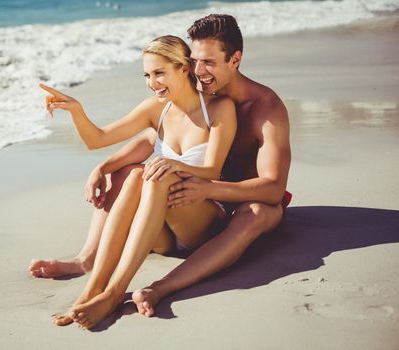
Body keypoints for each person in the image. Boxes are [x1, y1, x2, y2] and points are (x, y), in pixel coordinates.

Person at [31, 13, 291, 321]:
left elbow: (273, 188)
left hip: (234, 204)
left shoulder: (262, 108)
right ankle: (91, 272)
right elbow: (154, 138)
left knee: (254, 212)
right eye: (194, 61)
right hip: (185, 204)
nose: (199, 71)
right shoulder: (190, 98)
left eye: (208, 62)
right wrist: (105, 164)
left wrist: (206, 186)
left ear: (235, 60)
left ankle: (142, 290)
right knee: (133, 172)